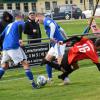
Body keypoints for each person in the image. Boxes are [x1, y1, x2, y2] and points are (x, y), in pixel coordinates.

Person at [0, 14, 39, 89]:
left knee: (4, 66)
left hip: (5, 47)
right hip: (13, 46)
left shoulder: (9, 25)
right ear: (21, 17)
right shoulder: (20, 22)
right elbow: (21, 26)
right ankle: (33, 84)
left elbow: (1, 36)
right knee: (25, 64)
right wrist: (20, 39)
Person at [36, 14, 68, 82]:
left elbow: (52, 26)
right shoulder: (50, 20)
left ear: (39, 16)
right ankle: (50, 79)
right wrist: (67, 39)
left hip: (58, 43)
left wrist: (51, 37)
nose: (38, 23)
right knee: (47, 60)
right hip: (54, 45)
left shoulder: (46, 20)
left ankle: (66, 79)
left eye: (38, 20)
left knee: (60, 62)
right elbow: (61, 29)